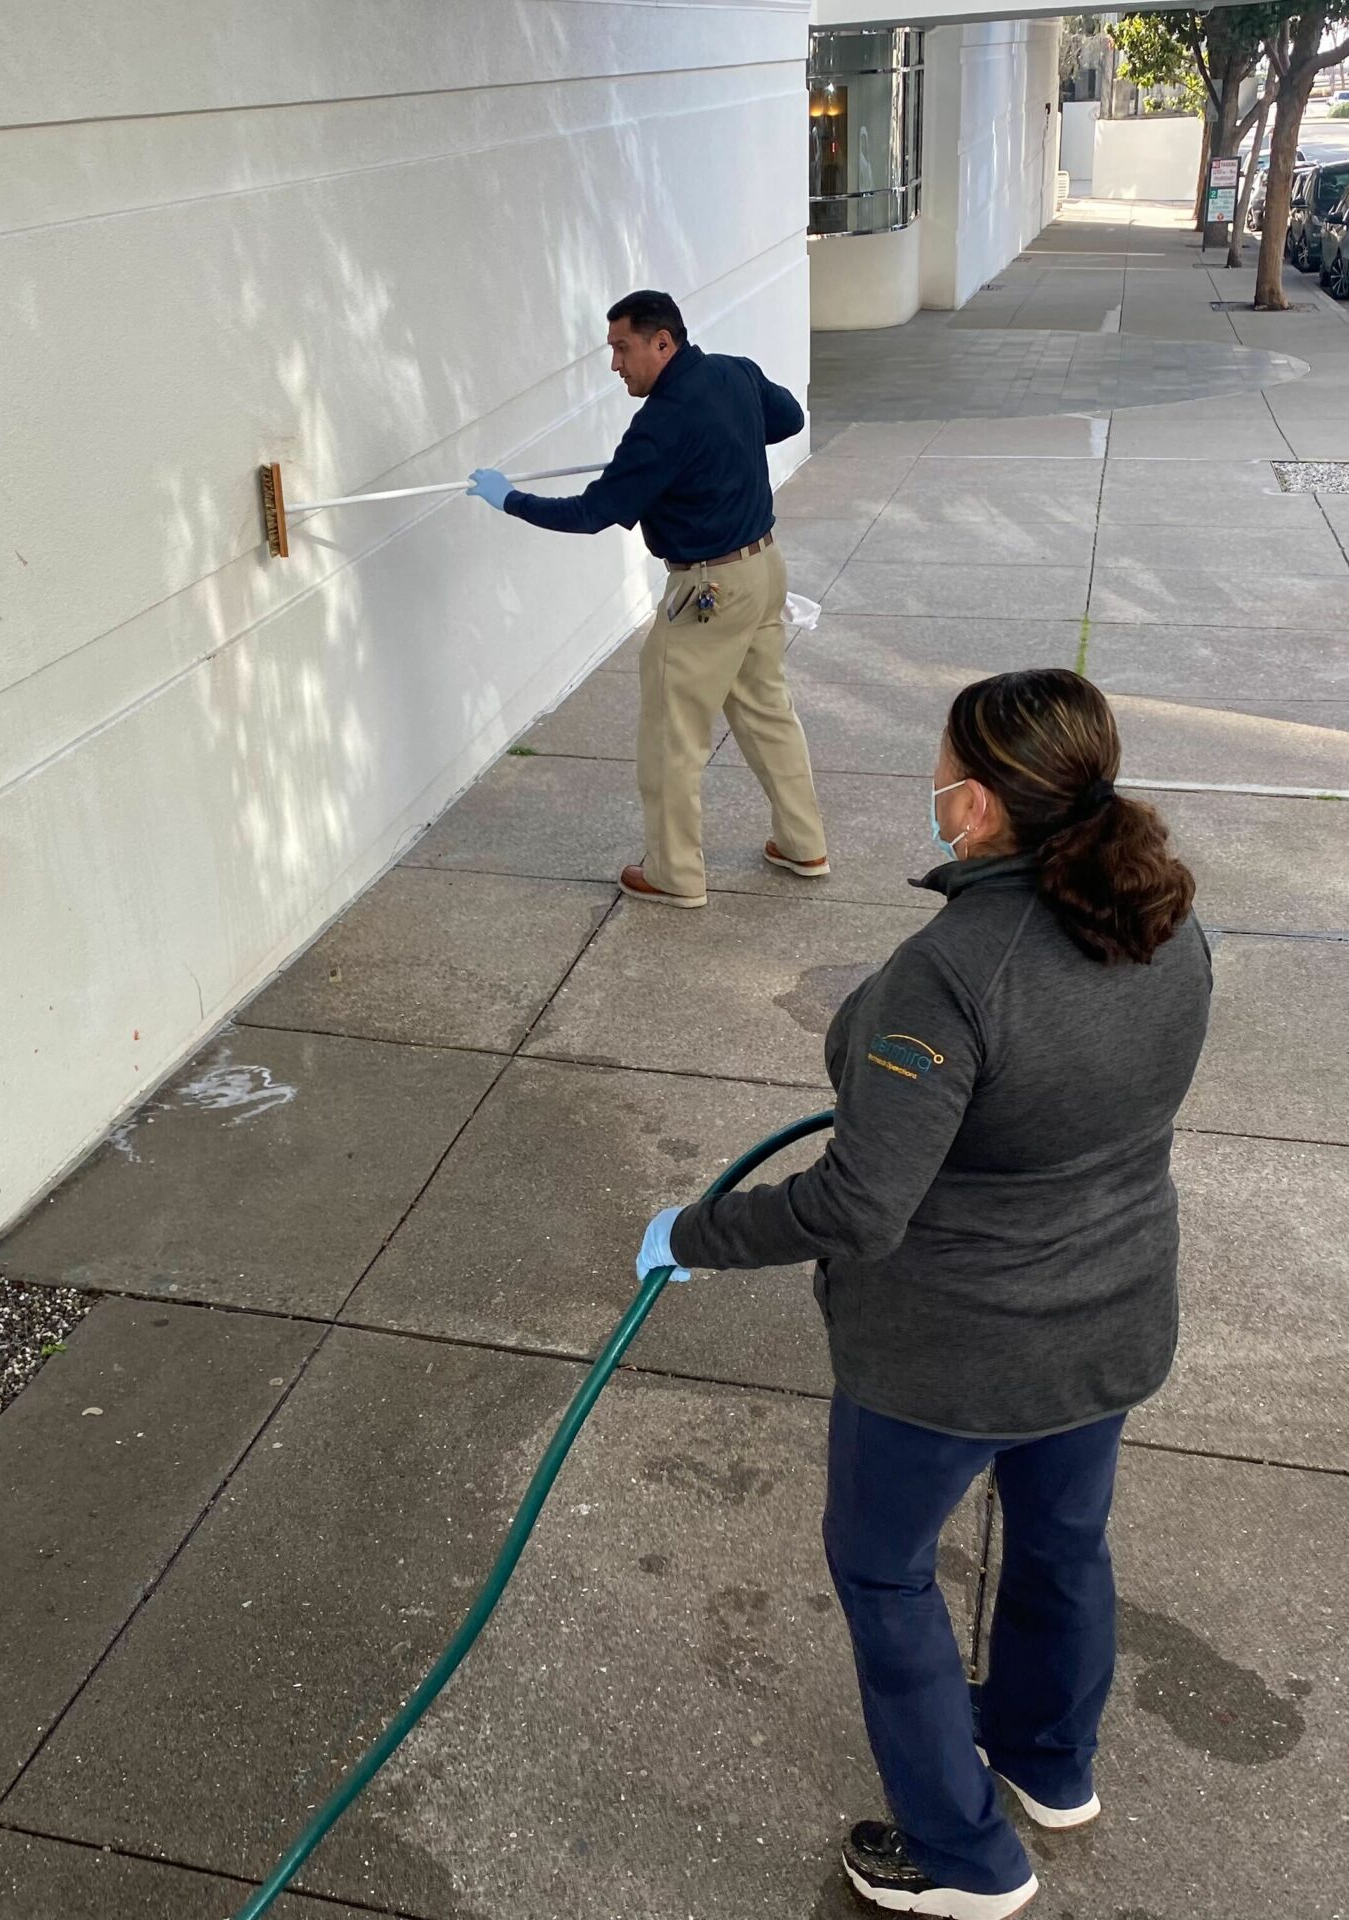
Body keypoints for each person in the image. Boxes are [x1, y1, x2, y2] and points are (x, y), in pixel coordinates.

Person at [636, 669, 1212, 1920]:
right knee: (1062, 1539)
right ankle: (1049, 1767)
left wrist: (693, 1231)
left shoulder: (949, 972)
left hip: (952, 1357)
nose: (931, 786)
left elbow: (856, 1203)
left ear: (982, 807)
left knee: (886, 1570)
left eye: (943, 767)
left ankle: (962, 1859)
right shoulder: (1163, 920)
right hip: (1110, 1318)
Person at [468, 290, 828, 908]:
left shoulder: (661, 423)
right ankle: (804, 844)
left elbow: (593, 513)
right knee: (768, 711)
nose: (615, 365)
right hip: (764, 569)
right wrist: (721, 444)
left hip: (708, 589)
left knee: (671, 735)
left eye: (622, 348)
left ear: (663, 342)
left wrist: (510, 501)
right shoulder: (733, 373)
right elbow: (789, 418)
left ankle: (673, 874)